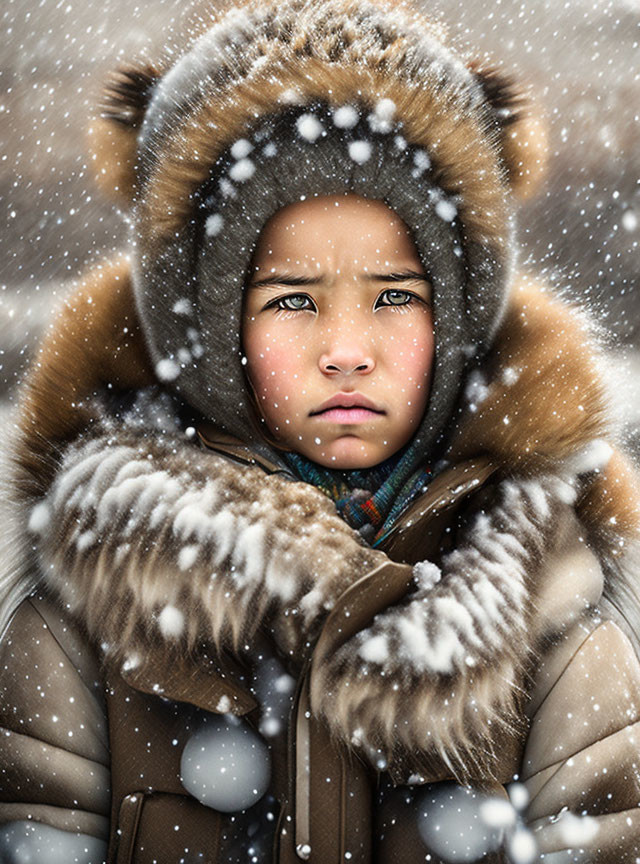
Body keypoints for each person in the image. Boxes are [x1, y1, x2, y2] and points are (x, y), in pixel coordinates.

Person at [1, 0, 639, 861]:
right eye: (292, 299)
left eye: (396, 296)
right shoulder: (90, 608)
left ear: (458, 324)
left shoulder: (548, 605)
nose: (346, 351)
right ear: (212, 335)